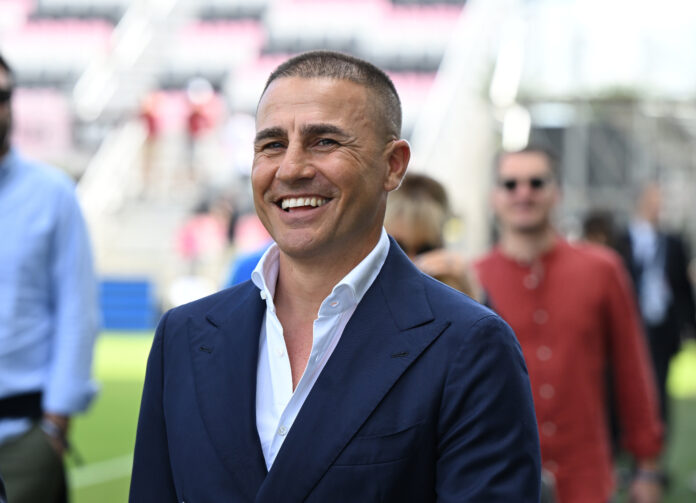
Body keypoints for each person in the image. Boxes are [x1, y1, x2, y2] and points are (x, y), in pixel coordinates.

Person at [130, 50, 540, 502]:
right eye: (272, 145)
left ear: (393, 165)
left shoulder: (470, 345)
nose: (291, 168)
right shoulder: (183, 336)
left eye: (324, 141)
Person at [475, 145, 664, 503]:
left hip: (585, 477)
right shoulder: (473, 279)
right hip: (500, 479)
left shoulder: (603, 270)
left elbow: (632, 369)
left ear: (557, 192)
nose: (523, 193)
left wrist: (648, 465)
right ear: (494, 197)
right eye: (510, 184)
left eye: (536, 182)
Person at [0, 54, 100, 502]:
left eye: (2, 95)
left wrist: (55, 426)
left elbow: (77, 311)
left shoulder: (52, 193)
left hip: (22, 435)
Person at [616, 183, 696, 430]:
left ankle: (657, 437)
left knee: (659, 386)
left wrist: (688, 326)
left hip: (663, 326)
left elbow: (682, 289)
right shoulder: (622, 240)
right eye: (652, 201)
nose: (657, 207)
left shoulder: (673, 242)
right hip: (629, 324)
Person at [384, 172, 481, 300]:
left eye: (425, 250)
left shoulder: (452, 287)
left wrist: (469, 296)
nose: (412, 263)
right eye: (399, 248)